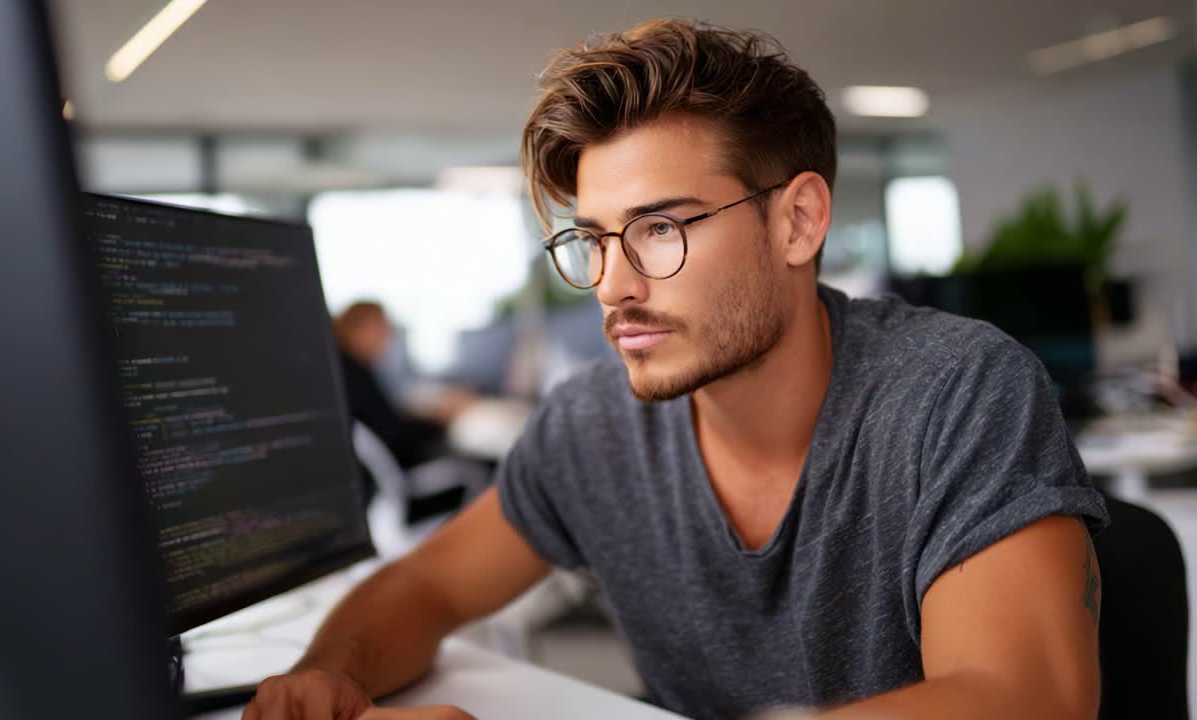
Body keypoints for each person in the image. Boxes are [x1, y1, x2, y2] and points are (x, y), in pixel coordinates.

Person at [245, 20, 1108, 720]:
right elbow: (428, 584)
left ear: (798, 222)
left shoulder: (955, 389)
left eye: (662, 228)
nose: (614, 286)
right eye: (592, 240)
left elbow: (1026, 697)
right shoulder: (591, 425)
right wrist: (331, 674)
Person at [334, 302, 475, 471]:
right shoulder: (354, 376)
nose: (388, 338)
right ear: (357, 330)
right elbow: (395, 439)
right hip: (399, 474)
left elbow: (385, 421)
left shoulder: (348, 370)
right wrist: (440, 419)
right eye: (381, 329)